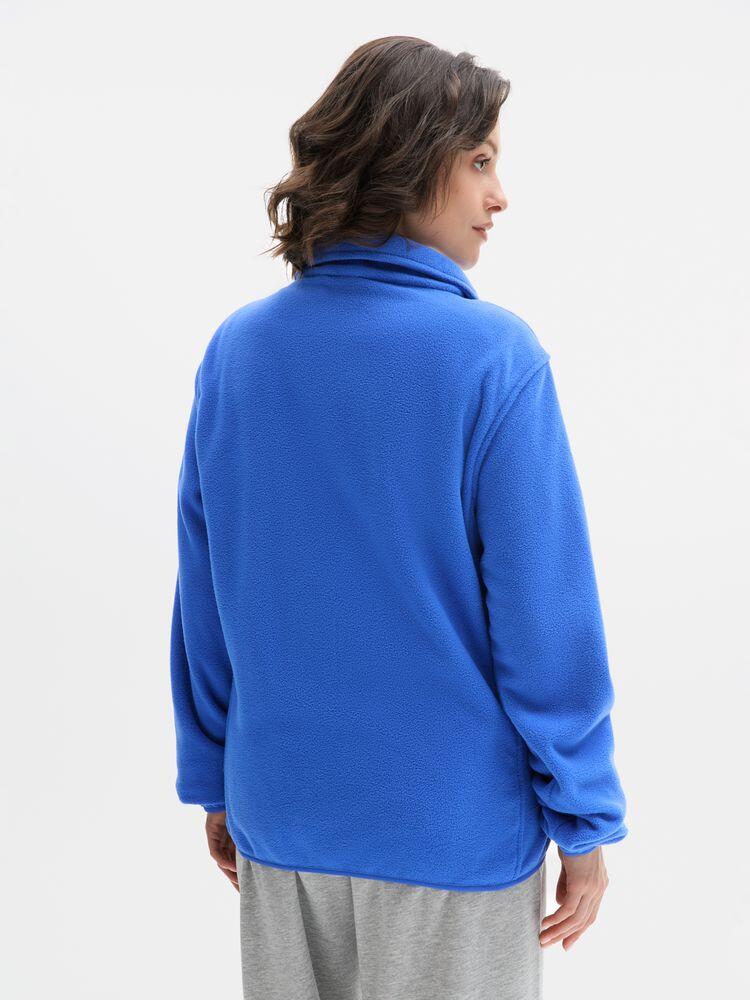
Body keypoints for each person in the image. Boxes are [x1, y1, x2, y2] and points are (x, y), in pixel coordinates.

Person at [169, 35, 628, 1000]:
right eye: (481, 160)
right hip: (449, 833)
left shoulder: (238, 353)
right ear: (413, 161)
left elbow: (206, 595)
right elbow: (544, 620)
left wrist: (215, 777)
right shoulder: (492, 359)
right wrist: (584, 820)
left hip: (281, 817)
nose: (499, 196)